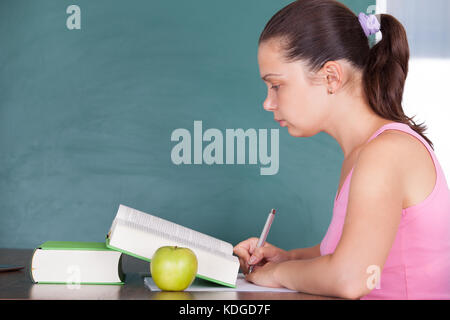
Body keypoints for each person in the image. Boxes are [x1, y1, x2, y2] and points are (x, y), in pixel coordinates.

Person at [233, 0, 450, 300]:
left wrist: (277, 275)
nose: (268, 103)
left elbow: (351, 278)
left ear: (331, 77)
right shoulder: (364, 154)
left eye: (277, 85)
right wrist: (290, 258)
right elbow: (348, 253)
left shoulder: (386, 154)